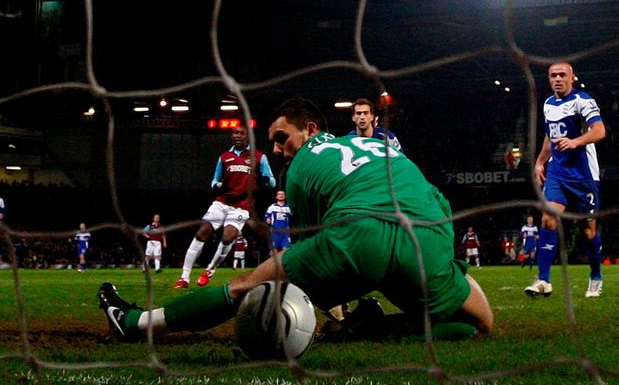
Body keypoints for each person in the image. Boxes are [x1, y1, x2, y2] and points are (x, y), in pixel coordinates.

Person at [98, 98, 493, 344]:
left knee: (246, 285)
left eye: (282, 137)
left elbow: (312, 254)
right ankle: (376, 331)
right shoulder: (376, 143)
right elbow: (426, 191)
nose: (277, 148)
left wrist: (336, 313)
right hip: (428, 234)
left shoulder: (301, 166)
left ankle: (134, 323)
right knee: (478, 323)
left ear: (310, 130)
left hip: (358, 235)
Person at [524, 62, 606, 299]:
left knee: (588, 232)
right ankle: (544, 279)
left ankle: (596, 274)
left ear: (572, 78)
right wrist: (540, 162)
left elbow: (599, 130)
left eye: (562, 75)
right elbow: (550, 137)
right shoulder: (549, 104)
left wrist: (575, 142)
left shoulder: (583, 101)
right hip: (558, 173)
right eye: (553, 75)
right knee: (548, 218)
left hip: (584, 176)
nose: (557, 79)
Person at [174, 125, 276, 288]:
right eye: (235, 133)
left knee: (228, 237)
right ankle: (184, 277)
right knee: (202, 233)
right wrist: (217, 185)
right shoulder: (224, 157)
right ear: (232, 136)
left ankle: (209, 271)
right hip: (222, 202)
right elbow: (214, 180)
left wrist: (265, 179)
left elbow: (272, 182)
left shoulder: (259, 157)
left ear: (247, 137)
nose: (238, 136)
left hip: (242, 206)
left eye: (241, 133)